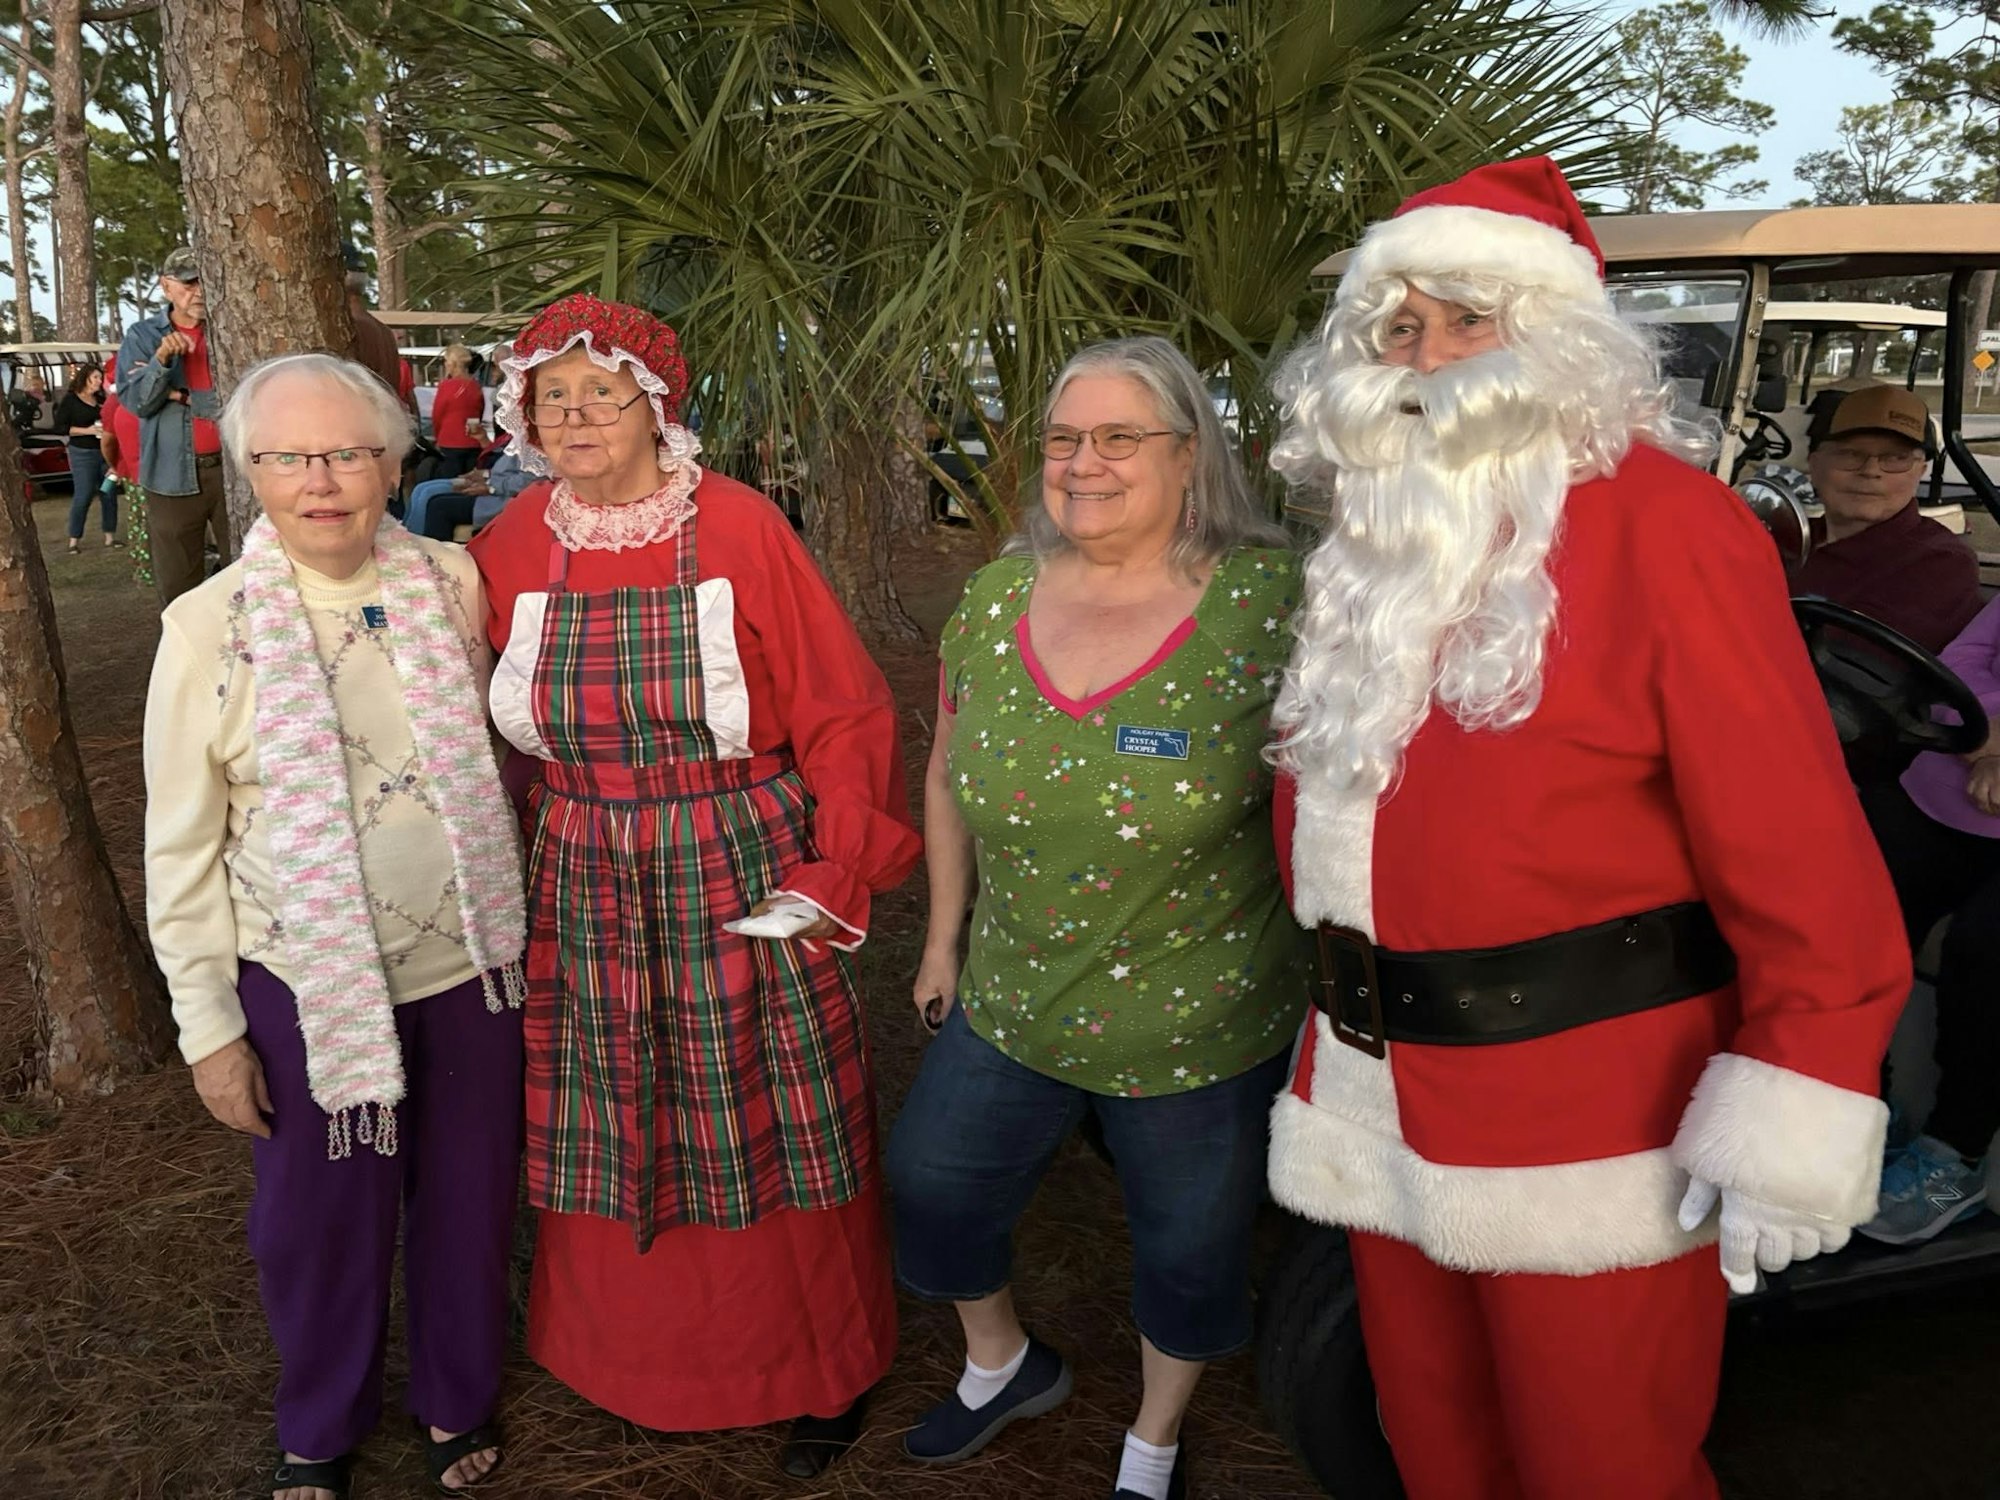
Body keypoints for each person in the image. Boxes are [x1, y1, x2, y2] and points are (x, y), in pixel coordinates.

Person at [1265, 158, 1907, 1500]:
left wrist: (1810, 1069)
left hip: (1595, 1119)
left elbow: (1802, 852)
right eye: (1400, 325)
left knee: (1600, 1468)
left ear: (1553, 341)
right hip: (1378, 1098)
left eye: (1468, 319)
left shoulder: (1672, 530)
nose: (1427, 355)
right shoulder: (1367, 550)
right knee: (1434, 1449)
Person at [469, 294, 921, 1478]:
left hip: (737, 860)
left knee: (775, 1108)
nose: (573, 415)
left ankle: (816, 1365)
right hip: (580, 863)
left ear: (654, 407)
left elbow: (842, 706)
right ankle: (624, 1356)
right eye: (549, 396)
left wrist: (838, 867)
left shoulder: (739, 526)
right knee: (605, 1103)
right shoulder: (507, 544)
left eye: (598, 394)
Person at [889, 336, 1301, 1500]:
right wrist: (940, 938)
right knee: (932, 1188)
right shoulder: (997, 592)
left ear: (1188, 455)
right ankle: (1000, 1364)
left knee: (1189, 1249)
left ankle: (1153, 1442)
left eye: (1119, 437)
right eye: (1065, 440)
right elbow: (946, 767)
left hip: (1201, 1015)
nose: (1084, 463)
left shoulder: (1271, 603)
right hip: (1015, 991)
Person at [143, 352, 527, 1500]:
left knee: (467, 1204)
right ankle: (319, 1422)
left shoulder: (452, 584)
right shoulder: (208, 625)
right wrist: (209, 1029)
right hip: (305, 988)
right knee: (318, 1226)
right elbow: (179, 845)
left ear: (391, 463)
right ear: (250, 472)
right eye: (288, 458)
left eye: (349, 454)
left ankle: (457, 1398)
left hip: (469, 970)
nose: (321, 481)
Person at [1856, 591, 2000, 1243]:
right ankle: (1854, 1104)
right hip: (1950, 789)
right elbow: (1965, 658)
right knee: (1849, 903)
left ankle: (1955, 1158)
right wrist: (1990, 739)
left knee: (1986, 946)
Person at [1792, 384, 1980, 654]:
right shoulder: (1785, 538)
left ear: (1919, 471)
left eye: (1895, 458)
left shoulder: (1940, 565)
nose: (1871, 471)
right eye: (1850, 454)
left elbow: (1846, 673)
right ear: (1815, 464)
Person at [117, 245, 233, 605]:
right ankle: (185, 657)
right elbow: (137, 402)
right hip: (170, 477)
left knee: (244, 576)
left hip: (234, 472)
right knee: (179, 586)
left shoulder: (229, 330)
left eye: (205, 281)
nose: (199, 291)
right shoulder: (143, 336)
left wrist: (181, 397)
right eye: (188, 282)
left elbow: (237, 401)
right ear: (166, 287)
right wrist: (162, 362)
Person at [404, 437, 532, 540]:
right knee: (423, 489)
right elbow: (506, 471)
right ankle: (409, 538)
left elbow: (526, 481)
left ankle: (426, 551)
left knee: (436, 502)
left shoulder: (532, 447)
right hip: (488, 485)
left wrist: (490, 486)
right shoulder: (518, 439)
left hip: (499, 498)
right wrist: (485, 475)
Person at [57, 362, 116, 551]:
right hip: (82, 454)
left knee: (108, 493)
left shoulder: (100, 399)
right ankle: (74, 540)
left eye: (100, 377)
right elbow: (61, 428)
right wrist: (87, 430)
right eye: (96, 377)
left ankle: (109, 537)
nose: (99, 381)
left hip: (104, 454)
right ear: (85, 378)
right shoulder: (71, 400)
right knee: (83, 495)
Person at [427, 345, 486, 478]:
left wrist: (437, 437)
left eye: (446, 361)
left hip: (450, 441)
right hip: (472, 440)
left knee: (451, 483)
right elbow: (479, 412)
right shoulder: (475, 386)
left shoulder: (446, 386)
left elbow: (437, 415)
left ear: (452, 364)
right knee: (468, 481)